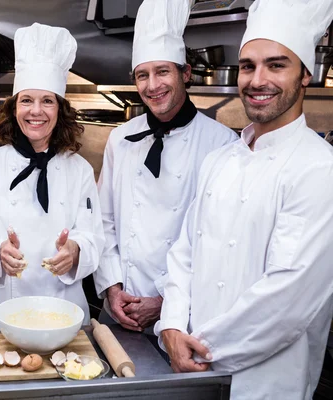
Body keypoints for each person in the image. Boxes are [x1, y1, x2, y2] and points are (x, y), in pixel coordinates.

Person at [155, 0, 333, 398]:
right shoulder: (219, 160)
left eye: (276, 64)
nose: (257, 80)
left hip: (266, 383)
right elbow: (184, 253)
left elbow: (288, 300)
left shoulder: (320, 169)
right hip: (192, 371)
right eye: (248, 66)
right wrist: (169, 326)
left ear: (306, 74)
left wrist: (201, 350)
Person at [93, 0, 237, 334]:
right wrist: (112, 288)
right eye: (142, 75)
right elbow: (104, 221)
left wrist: (165, 303)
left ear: (185, 73)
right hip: (118, 312)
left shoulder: (223, 145)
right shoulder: (120, 138)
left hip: (183, 317)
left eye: (163, 72)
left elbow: (217, 245)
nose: (152, 86)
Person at [0, 23, 105, 329]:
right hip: (0, 314)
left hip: (64, 315)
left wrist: (76, 250)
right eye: (27, 100)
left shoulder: (80, 170)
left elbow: (94, 238)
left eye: (47, 101)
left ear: (60, 109)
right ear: (13, 107)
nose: (36, 111)